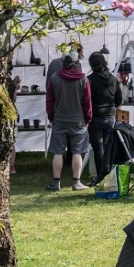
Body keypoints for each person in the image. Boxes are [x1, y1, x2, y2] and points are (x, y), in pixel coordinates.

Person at [46, 52, 92, 191]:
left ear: (62, 64)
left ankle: (56, 182)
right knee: (77, 151)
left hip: (59, 119)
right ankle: (76, 181)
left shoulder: (54, 78)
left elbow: (49, 101)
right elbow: (87, 102)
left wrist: (51, 117)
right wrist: (88, 118)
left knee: (58, 152)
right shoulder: (83, 79)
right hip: (78, 120)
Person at [87, 52, 122, 185]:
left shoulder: (89, 80)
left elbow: (86, 100)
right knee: (107, 147)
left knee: (98, 148)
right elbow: (118, 100)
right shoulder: (113, 79)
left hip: (95, 117)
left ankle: (101, 177)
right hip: (110, 117)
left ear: (91, 64)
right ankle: (108, 176)